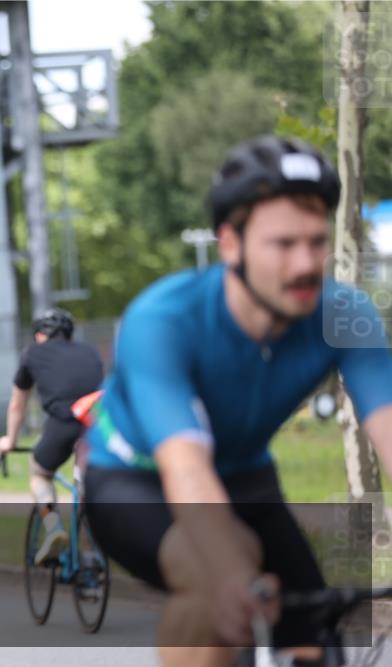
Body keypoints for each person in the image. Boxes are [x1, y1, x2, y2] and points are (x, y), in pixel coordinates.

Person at [82, 136, 392, 667]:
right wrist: (230, 578)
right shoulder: (162, 320)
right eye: (283, 244)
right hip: (137, 480)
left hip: (247, 478)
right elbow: (185, 465)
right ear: (230, 245)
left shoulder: (345, 314)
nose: (305, 263)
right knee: (221, 578)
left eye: (317, 242)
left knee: (312, 639)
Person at [0, 308, 104, 565]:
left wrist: (9, 441)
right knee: (86, 487)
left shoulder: (32, 353)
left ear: (39, 336)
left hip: (64, 422)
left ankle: (54, 529)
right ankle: (94, 555)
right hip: (97, 424)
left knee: (40, 473)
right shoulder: (89, 352)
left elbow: (17, 405)